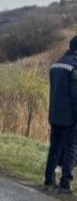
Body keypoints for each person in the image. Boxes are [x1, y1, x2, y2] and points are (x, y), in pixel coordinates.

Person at [44, 36, 77, 194]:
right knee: (71, 148)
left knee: (55, 148)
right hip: (70, 118)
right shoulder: (75, 66)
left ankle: (49, 180)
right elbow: (75, 95)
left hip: (55, 114)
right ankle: (65, 183)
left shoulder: (56, 64)